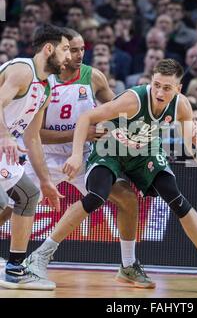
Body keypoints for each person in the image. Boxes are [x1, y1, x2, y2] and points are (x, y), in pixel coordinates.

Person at [26, 59, 197, 291]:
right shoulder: (132, 101)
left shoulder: (182, 106)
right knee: (96, 196)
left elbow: (189, 142)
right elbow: (86, 118)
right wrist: (75, 155)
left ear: (178, 89)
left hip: (144, 152)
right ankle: (41, 255)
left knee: (176, 198)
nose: (160, 92)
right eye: (156, 85)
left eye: (167, 87)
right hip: (110, 148)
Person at [2, 29, 153, 289]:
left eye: (82, 48)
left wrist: (146, 122)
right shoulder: (37, 76)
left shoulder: (91, 77)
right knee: (10, 205)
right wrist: (79, 135)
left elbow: (122, 111)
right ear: (55, 49)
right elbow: (37, 136)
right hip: (46, 154)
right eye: (71, 49)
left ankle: (128, 265)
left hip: (80, 156)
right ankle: (19, 265)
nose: (78, 54)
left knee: (127, 197)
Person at [0, 24, 72, 290]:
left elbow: (32, 138)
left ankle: (14, 268)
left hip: (3, 147)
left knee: (29, 195)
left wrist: (45, 181)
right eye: (65, 49)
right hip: (1, 141)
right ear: (49, 48)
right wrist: (6, 135)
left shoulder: (45, 88)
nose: (69, 56)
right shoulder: (22, 70)